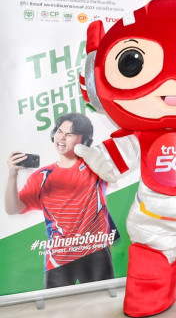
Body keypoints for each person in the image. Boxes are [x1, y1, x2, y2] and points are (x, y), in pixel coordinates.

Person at [5, 113, 115, 289]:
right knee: (55, 306)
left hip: (95, 251)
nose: (62, 137)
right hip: (58, 258)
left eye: (70, 134)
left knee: (103, 301)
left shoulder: (95, 165)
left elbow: (117, 168)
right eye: (59, 131)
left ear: (85, 140)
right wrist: (12, 174)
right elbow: (12, 209)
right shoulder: (41, 176)